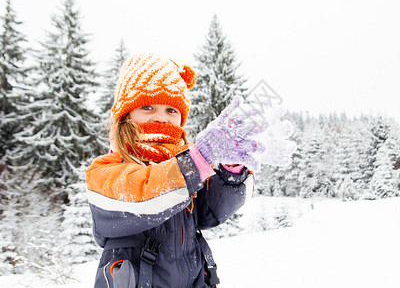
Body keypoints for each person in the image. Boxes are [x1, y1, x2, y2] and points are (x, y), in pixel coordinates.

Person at [85, 53, 265, 288]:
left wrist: (231, 168)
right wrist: (198, 161)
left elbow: (211, 212)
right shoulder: (106, 169)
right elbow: (145, 195)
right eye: (148, 107)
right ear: (125, 114)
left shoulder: (188, 166)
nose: (161, 117)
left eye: (172, 110)